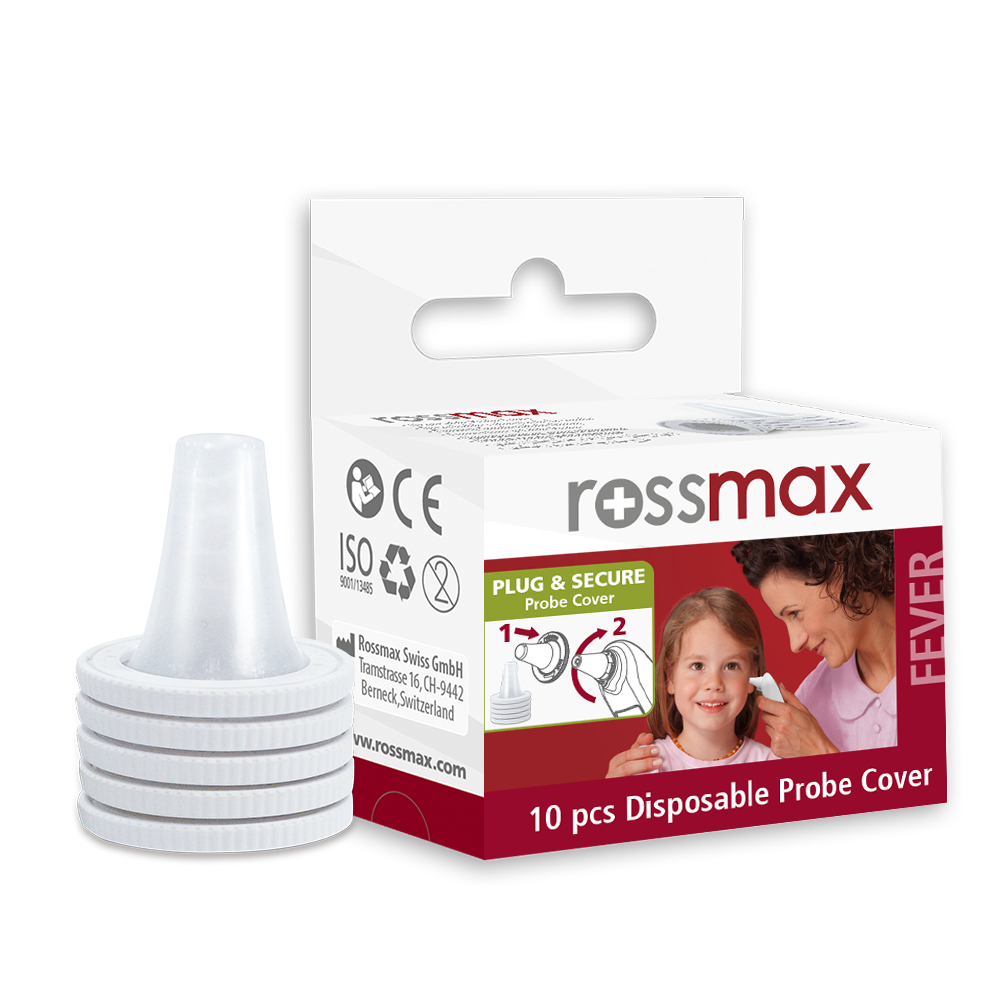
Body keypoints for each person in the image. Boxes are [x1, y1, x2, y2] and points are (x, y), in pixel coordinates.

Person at [730, 532, 896, 756]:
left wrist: (820, 753)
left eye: (794, 613)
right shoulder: (810, 702)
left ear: (840, 569)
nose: (795, 644)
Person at [605, 588, 778, 777]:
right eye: (697, 666)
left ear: (753, 676)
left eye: (731, 666)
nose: (714, 683)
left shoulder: (773, 766)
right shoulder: (646, 765)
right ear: (670, 678)